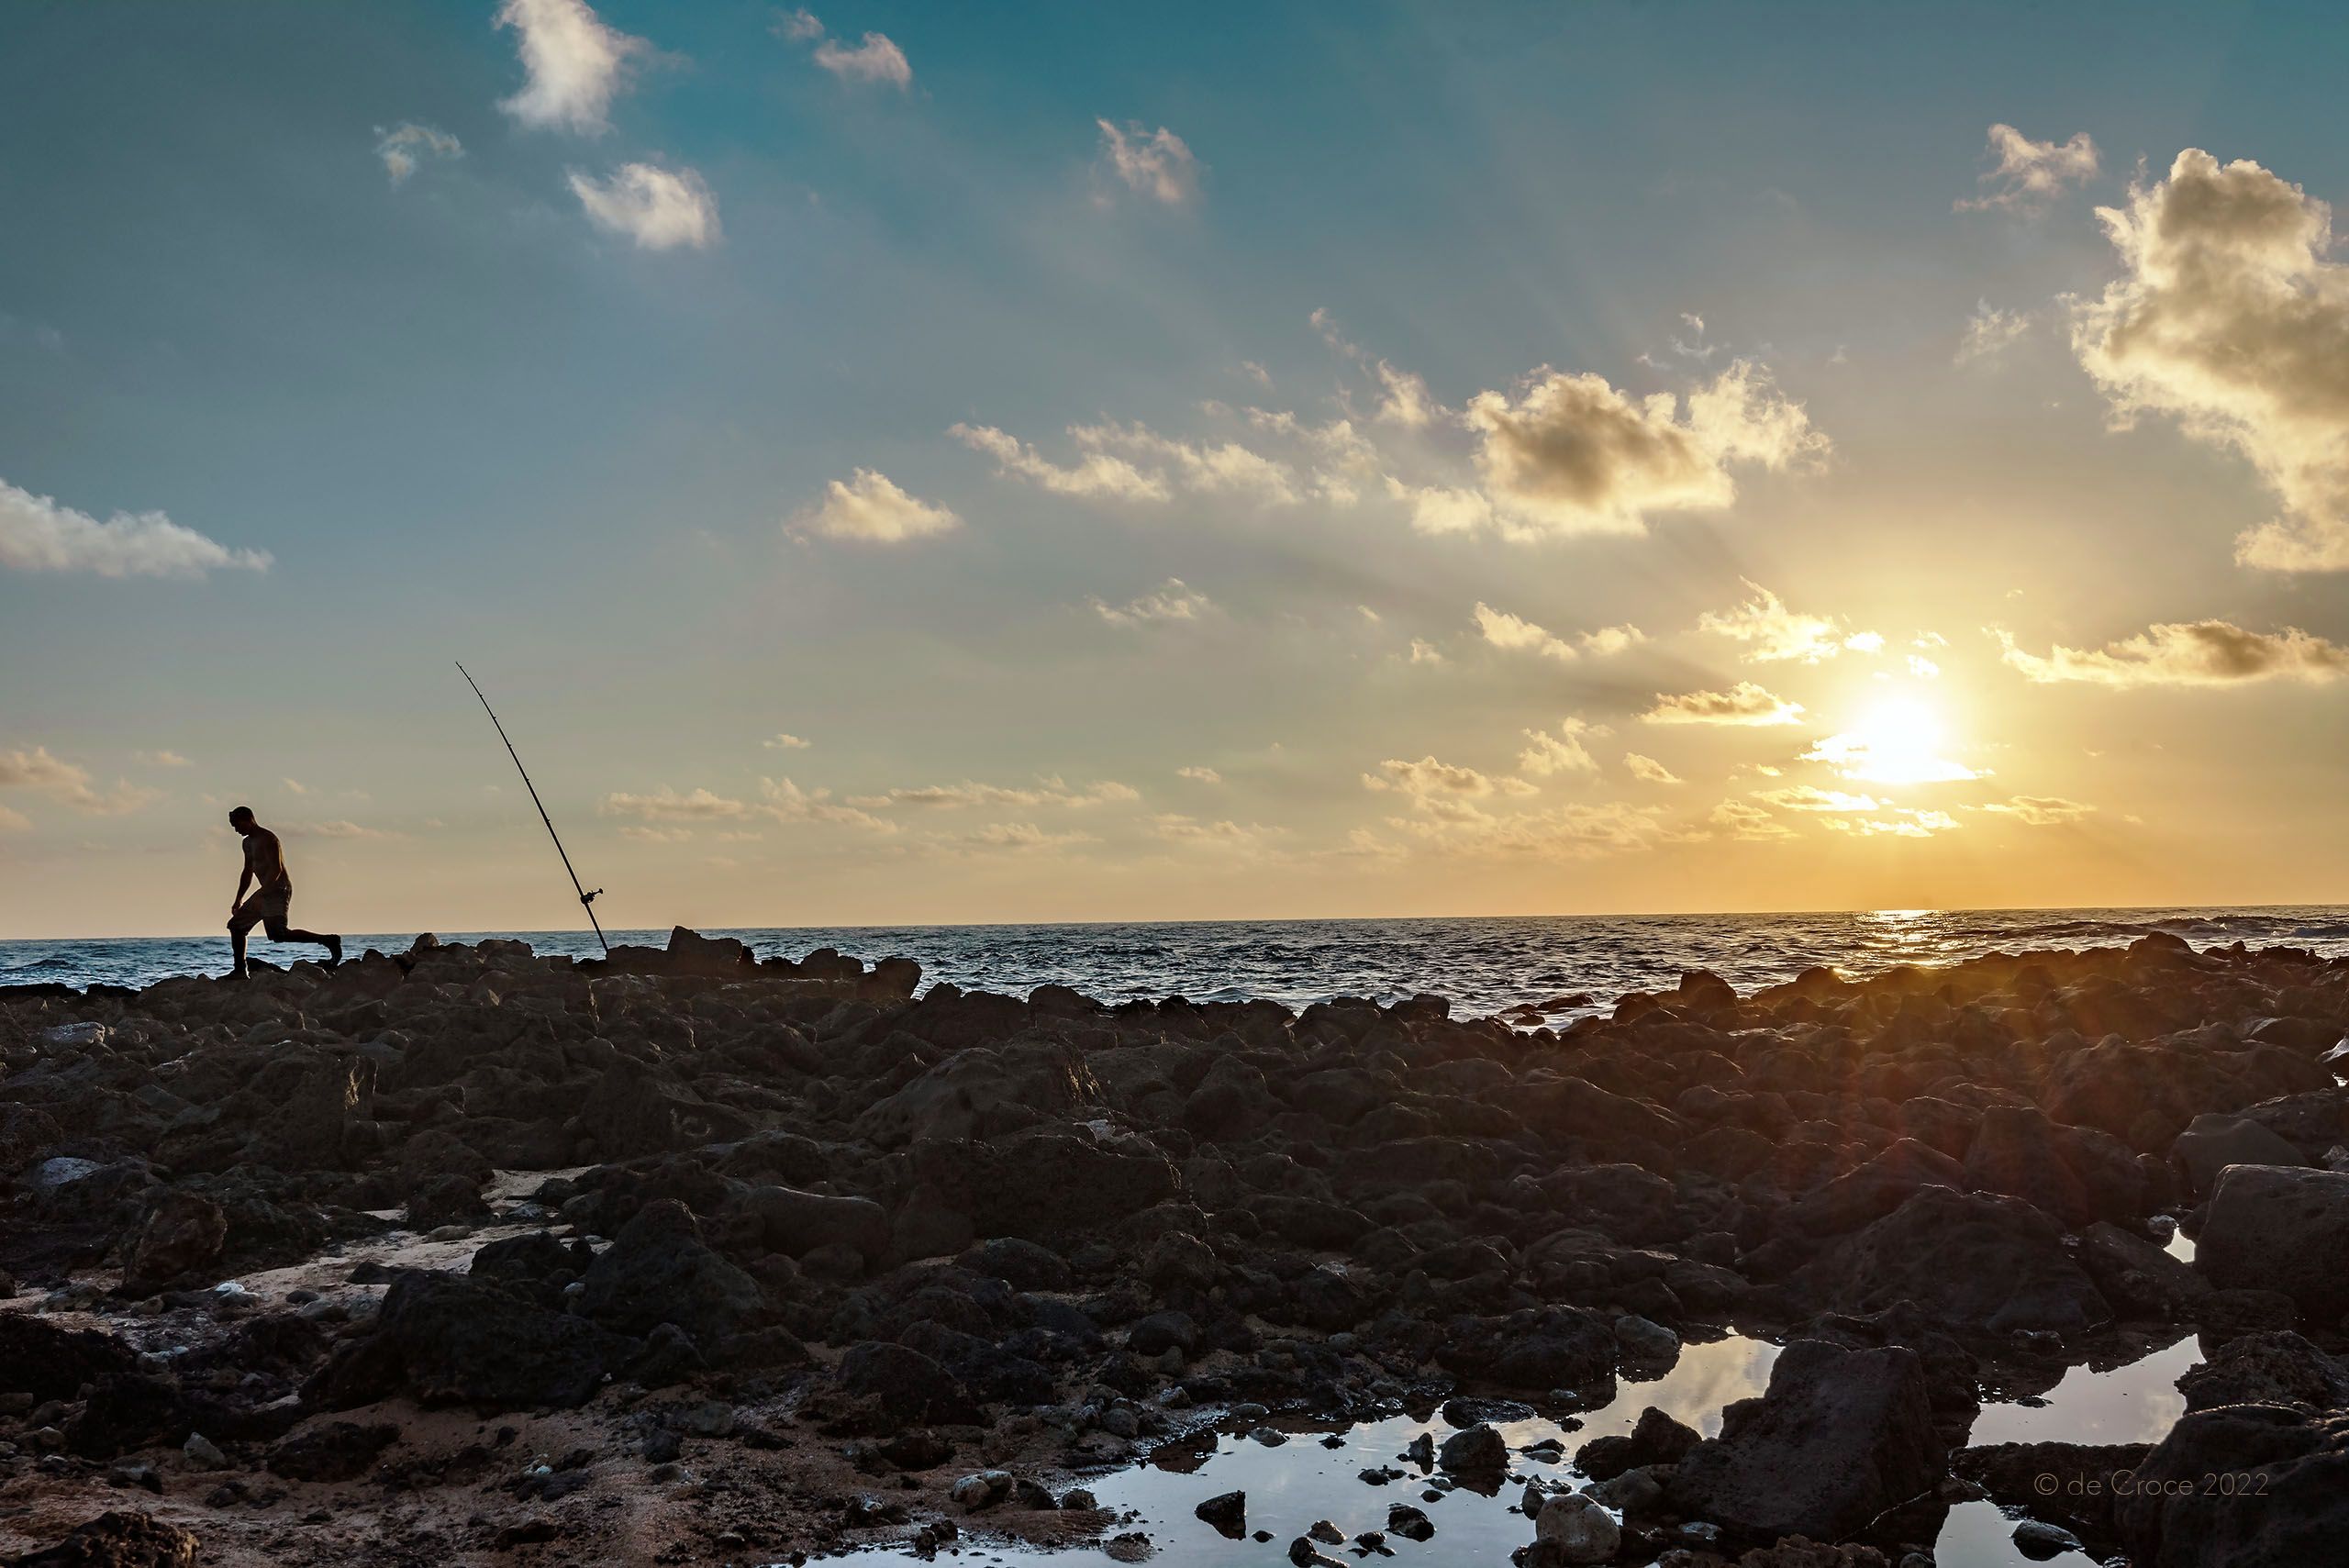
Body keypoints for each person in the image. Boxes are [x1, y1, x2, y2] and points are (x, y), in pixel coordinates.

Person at [226, 806, 340, 976]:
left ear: (248, 820)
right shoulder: (247, 843)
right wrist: (238, 899)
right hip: (264, 892)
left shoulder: (268, 838)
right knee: (237, 926)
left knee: (278, 934)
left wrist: (262, 892)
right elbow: (247, 871)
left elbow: (276, 869)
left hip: (278, 890)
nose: (236, 830)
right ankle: (240, 971)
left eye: (237, 825)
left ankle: (328, 940)